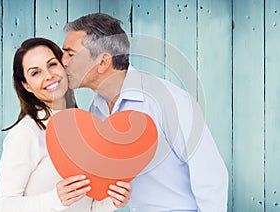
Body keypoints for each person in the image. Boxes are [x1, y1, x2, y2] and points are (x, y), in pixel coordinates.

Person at [61, 13, 229, 212]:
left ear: (103, 62)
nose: (63, 61)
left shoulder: (167, 100)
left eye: (70, 54)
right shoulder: (97, 109)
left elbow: (210, 175)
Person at [0, 37, 131, 212]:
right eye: (35, 73)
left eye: (52, 64)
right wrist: (56, 199)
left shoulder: (84, 128)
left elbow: (88, 207)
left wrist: (113, 200)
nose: (49, 75)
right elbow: (4, 206)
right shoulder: (27, 133)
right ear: (26, 85)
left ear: (64, 67)